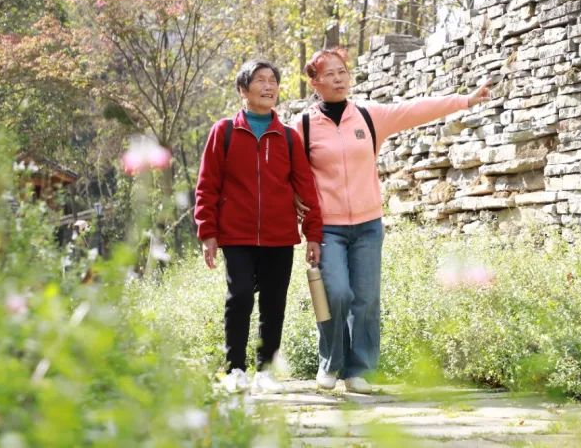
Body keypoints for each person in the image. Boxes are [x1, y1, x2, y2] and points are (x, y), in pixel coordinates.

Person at [294, 47, 490, 394]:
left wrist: (465, 100)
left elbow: (415, 109)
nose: (339, 79)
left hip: (368, 225)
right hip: (328, 228)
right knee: (336, 293)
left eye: (343, 72)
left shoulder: (369, 116)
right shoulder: (304, 126)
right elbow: (288, 175)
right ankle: (330, 362)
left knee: (367, 299)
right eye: (330, 74)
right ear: (315, 82)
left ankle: (361, 371)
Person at [194, 59, 323, 394]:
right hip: (235, 233)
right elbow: (208, 184)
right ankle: (234, 369)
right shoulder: (223, 132)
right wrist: (207, 232)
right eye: (260, 80)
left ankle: (265, 371)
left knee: (273, 302)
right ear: (243, 90)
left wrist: (313, 233)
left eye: (273, 81)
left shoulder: (289, 137)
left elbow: (305, 187)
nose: (268, 87)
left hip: (279, 234)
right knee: (238, 298)